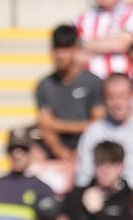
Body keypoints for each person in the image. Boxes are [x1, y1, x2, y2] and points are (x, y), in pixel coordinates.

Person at [72, 73, 133, 195]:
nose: (116, 103)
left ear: (132, 96)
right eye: (111, 97)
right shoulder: (94, 132)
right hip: (102, 198)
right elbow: (84, 176)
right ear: (104, 100)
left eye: (121, 96)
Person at [37, 25, 105, 164]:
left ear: (76, 49)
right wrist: (63, 153)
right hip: (59, 152)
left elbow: (98, 125)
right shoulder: (45, 85)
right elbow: (46, 127)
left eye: (65, 49)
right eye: (57, 49)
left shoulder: (94, 83)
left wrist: (57, 125)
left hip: (91, 149)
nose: (60, 56)